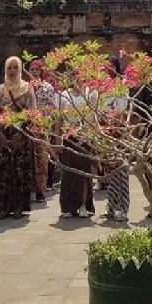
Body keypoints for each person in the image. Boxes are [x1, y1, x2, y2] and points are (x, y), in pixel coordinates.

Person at [0, 56, 38, 219]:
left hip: (21, 135)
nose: (12, 71)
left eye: (15, 68)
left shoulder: (27, 88)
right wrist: (0, 134)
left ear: (20, 69)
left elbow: (31, 113)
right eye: (9, 68)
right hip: (2, 134)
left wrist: (20, 133)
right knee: (4, 171)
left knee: (20, 170)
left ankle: (19, 207)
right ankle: (4, 208)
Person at [56, 83, 97, 218]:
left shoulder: (90, 94)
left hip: (85, 138)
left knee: (84, 173)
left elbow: (93, 117)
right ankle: (68, 206)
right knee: (68, 172)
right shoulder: (64, 95)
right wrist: (57, 140)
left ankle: (83, 205)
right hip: (69, 137)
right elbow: (59, 119)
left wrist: (86, 135)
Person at [101, 57, 130, 222]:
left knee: (121, 171)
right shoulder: (100, 87)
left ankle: (123, 208)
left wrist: (113, 125)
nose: (106, 70)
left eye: (109, 66)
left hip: (118, 130)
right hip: (104, 131)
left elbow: (121, 110)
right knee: (109, 171)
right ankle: (111, 206)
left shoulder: (120, 85)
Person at [28, 60, 58, 192]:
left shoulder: (47, 87)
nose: (34, 72)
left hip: (43, 125)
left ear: (41, 72)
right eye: (32, 69)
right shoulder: (25, 87)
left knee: (44, 155)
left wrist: (47, 122)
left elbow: (52, 106)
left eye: (36, 69)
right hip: (28, 125)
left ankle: (45, 183)